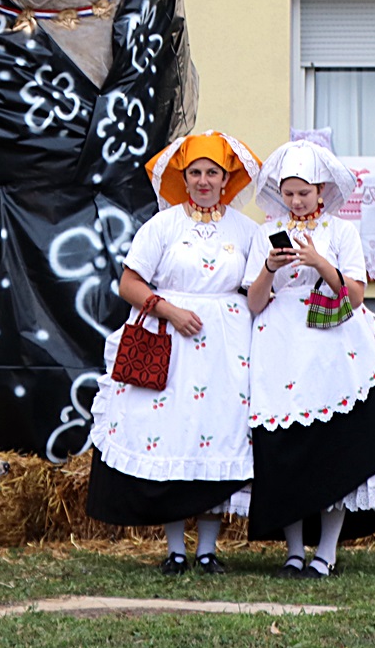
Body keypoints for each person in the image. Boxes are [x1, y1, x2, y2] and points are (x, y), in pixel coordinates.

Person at [86, 131, 261, 575]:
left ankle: (206, 549)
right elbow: (129, 284)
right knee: (169, 435)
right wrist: (170, 310)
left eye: (212, 173)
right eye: (195, 172)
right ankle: (175, 550)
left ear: (227, 179)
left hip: (226, 349)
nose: (203, 180)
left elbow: (257, 289)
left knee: (217, 434)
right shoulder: (161, 226)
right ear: (184, 178)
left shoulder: (245, 231)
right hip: (170, 343)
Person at [244, 140, 375, 578]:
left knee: (333, 446)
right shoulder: (266, 233)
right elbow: (255, 302)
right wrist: (270, 268)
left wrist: (319, 261)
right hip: (281, 346)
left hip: (334, 345)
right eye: (289, 192)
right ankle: (294, 551)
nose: (296, 201)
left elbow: (355, 294)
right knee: (287, 448)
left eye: (304, 192)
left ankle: (326, 553)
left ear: (321, 191)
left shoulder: (341, 232)